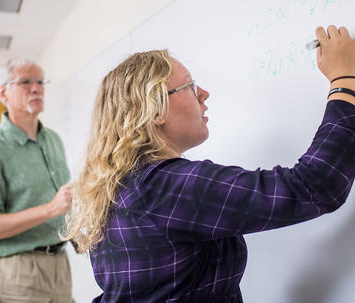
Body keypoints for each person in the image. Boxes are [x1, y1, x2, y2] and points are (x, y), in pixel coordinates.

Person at [64, 25, 355, 302]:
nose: (203, 94)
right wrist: (345, 81)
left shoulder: (119, 186)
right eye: (190, 86)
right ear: (155, 109)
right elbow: (315, 185)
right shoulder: (167, 187)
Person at [0, 58, 73, 302]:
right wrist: (51, 209)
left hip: (61, 265)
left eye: (40, 82)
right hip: (19, 271)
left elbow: (64, 204)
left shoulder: (54, 140)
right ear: (3, 92)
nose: (36, 88)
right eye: (26, 82)